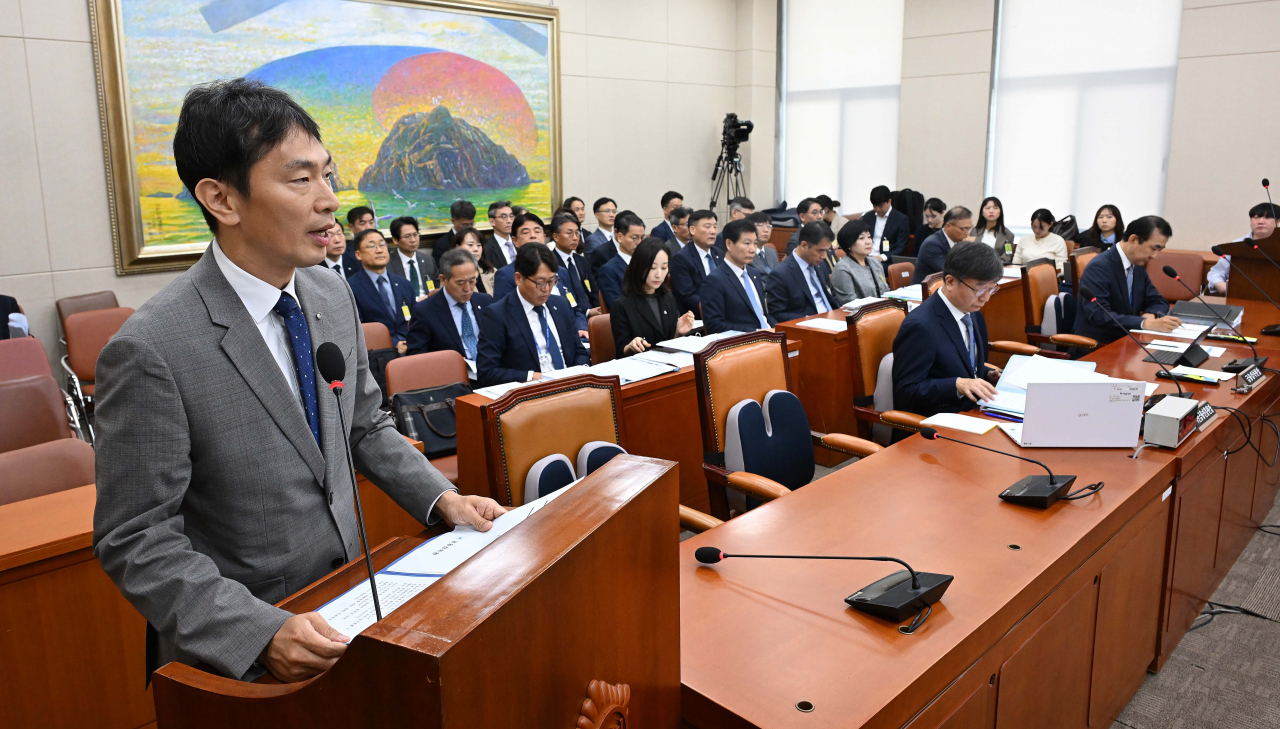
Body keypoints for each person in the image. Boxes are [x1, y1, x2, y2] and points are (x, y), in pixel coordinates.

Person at [92, 78, 504, 685]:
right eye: (299, 179)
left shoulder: (328, 293)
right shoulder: (151, 349)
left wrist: (443, 500)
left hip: (354, 605)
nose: (330, 200)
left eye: (328, 175)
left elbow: (363, 424)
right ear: (222, 199)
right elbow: (135, 536)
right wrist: (257, 632)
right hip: (249, 659)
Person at [892, 242, 1004, 423]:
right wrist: (956, 385)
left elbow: (959, 365)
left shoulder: (971, 311)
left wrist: (984, 374)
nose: (986, 297)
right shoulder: (920, 326)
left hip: (974, 412)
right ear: (951, 282)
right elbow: (906, 392)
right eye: (980, 289)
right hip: (936, 425)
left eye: (992, 289)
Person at [476, 244, 590, 386]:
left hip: (570, 387)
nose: (547, 289)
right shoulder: (498, 315)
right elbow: (487, 372)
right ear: (518, 278)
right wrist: (530, 377)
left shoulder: (561, 305)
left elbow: (579, 352)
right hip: (532, 392)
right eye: (540, 282)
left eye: (552, 281)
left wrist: (577, 373)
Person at [1075, 216, 1182, 344]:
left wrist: (1150, 315)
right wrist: (1144, 323)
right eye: (1153, 248)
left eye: (1159, 250)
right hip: (1099, 345)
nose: (1154, 256)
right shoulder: (1100, 267)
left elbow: (1157, 301)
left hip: (1129, 340)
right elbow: (1099, 315)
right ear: (1133, 240)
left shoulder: (1137, 265)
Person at [610, 238, 697, 357]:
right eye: (652, 268)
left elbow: (667, 343)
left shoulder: (668, 298)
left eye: (664, 268)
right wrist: (630, 346)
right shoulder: (622, 305)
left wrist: (677, 332)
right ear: (639, 267)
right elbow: (620, 351)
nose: (659, 275)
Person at [406, 248, 493, 359]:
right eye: (460, 282)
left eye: (472, 281)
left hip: (489, 368)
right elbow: (416, 356)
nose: (468, 289)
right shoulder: (424, 311)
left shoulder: (485, 301)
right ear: (443, 279)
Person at [702, 219, 776, 333]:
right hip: (745, 341)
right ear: (729, 244)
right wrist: (756, 332)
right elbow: (715, 325)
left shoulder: (754, 273)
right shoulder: (715, 280)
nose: (752, 249)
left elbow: (763, 314)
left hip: (769, 336)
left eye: (755, 243)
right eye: (747, 243)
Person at [348, 229, 415, 354]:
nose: (379, 250)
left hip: (412, 347)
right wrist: (393, 343)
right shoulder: (351, 287)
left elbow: (417, 320)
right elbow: (359, 329)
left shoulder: (403, 283)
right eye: (371, 246)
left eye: (382, 244)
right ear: (358, 254)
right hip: (378, 353)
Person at [766, 221, 836, 323]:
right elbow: (777, 313)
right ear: (804, 245)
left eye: (826, 251)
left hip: (833, 320)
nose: (824, 256)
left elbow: (831, 296)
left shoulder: (821, 265)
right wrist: (810, 320)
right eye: (820, 251)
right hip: (808, 326)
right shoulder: (781, 275)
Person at [1206, 202, 1278, 294]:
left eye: (1267, 217)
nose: (1260, 221)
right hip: (1239, 297)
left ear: (1278, 221)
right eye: (1256, 217)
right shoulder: (1237, 245)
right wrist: (1220, 284)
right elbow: (1216, 272)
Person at [548, 212, 601, 327]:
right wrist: (587, 312)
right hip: (571, 319)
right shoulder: (550, 263)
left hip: (594, 315)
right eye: (569, 233)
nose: (575, 238)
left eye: (577, 233)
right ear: (556, 237)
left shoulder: (581, 260)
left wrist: (598, 309)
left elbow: (594, 289)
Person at [671, 209, 724, 315]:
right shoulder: (681, 259)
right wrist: (714, 310)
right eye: (707, 227)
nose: (713, 231)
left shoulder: (720, 254)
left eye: (715, 226)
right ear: (692, 230)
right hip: (700, 316)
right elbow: (688, 296)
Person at [491, 212, 550, 300]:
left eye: (537, 231)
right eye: (526, 232)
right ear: (515, 241)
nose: (533, 236)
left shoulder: (561, 271)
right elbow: (505, 311)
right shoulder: (505, 275)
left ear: (544, 237)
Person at [594, 211, 646, 310]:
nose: (639, 243)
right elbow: (617, 306)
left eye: (642, 238)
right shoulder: (608, 270)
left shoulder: (648, 264)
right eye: (634, 238)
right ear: (620, 237)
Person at [831, 221, 888, 305]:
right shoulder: (842, 269)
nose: (868, 241)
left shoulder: (875, 262)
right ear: (849, 243)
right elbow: (849, 302)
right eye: (861, 238)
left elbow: (886, 291)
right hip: (860, 315)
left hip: (883, 310)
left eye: (869, 237)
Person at [914, 206, 974, 284]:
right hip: (925, 291)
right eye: (963, 229)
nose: (967, 233)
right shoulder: (932, 244)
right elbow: (951, 272)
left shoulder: (958, 241)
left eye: (969, 228)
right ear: (948, 226)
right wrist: (967, 248)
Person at [386, 216, 438, 299]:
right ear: (395, 240)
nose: (413, 240)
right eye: (407, 236)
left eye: (415, 235)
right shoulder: (388, 264)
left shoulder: (428, 260)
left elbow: (436, 288)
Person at [1012, 209, 1069, 274]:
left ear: (1050, 225)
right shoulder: (1024, 239)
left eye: (1041, 227)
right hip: (1024, 277)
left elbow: (1061, 268)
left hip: (1047, 278)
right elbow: (1016, 263)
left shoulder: (1058, 241)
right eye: (1034, 227)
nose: (1037, 231)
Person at [863, 185, 910, 260]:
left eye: (881, 206)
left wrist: (882, 257)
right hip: (866, 257)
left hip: (886, 260)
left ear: (889, 201)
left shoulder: (901, 219)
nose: (877, 209)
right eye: (875, 206)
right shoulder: (867, 217)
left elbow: (901, 247)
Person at [430, 200, 476, 265]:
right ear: (453, 221)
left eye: (472, 223)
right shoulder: (441, 245)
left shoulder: (479, 238)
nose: (469, 228)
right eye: (465, 225)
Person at [454, 227, 496, 295]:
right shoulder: (451, 274)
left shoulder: (491, 271)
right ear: (458, 248)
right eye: (470, 245)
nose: (476, 249)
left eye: (479, 245)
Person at [971, 196, 1014, 262]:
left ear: (1000, 212)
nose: (991, 211)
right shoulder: (974, 231)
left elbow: (1008, 255)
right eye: (987, 208)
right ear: (982, 213)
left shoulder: (1008, 234)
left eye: (995, 208)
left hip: (997, 267)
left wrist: (995, 264)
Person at [341, 205, 376, 272]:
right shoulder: (344, 251)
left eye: (371, 223)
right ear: (351, 226)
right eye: (362, 224)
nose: (368, 227)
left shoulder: (383, 247)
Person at [483, 201, 517, 267]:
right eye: (504, 217)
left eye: (511, 216)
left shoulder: (520, 242)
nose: (509, 221)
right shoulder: (486, 250)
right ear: (492, 221)